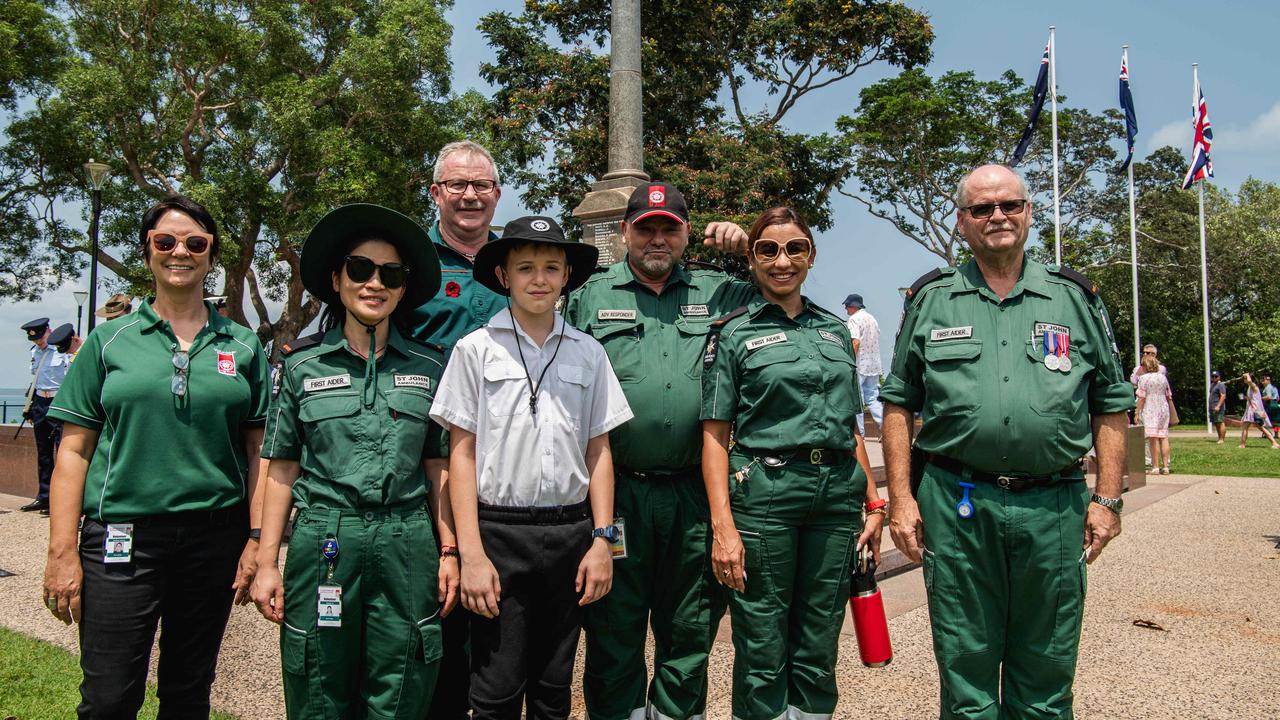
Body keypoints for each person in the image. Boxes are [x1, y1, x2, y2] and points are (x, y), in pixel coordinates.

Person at [879, 164, 1133, 719]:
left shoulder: (1076, 299)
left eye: (1009, 205)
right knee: (965, 666)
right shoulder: (930, 300)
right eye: (981, 209)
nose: (997, 216)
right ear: (962, 223)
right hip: (958, 503)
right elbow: (899, 402)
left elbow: (1111, 402)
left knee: (1046, 667)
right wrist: (901, 499)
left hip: (1054, 505)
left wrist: (1108, 499)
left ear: (1029, 213)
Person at [40, 195, 270, 717]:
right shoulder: (107, 341)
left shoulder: (243, 344)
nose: (180, 252)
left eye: (195, 242)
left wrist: (257, 540)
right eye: (164, 242)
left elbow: (259, 450)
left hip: (213, 540)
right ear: (147, 254)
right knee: (108, 697)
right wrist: (61, 551)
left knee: (188, 695)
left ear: (212, 254)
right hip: (121, 538)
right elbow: (73, 453)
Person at [250, 204, 452, 718]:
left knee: (404, 682)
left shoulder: (431, 367)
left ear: (404, 288)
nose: (374, 284)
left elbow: (439, 468)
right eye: (360, 269)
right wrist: (265, 560)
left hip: (408, 539)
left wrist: (449, 551)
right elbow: (280, 468)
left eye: (391, 274)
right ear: (337, 279)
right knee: (318, 682)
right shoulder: (300, 366)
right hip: (324, 539)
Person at [563, 182, 755, 720]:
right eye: (645, 227)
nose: (656, 239)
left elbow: (788, 294)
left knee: (690, 632)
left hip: (696, 493)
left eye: (669, 228)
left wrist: (750, 245)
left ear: (686, 233)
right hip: (618, 494)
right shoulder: (589, 298)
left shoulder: (723, 292)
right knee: (613, 632)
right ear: (624, 232)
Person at [430, 216, 633, 719]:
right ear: (504, 277)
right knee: (496, 687)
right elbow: (462, 454)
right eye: (525, 268)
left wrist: (603, 540)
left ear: (567, 277)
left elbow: (599, 450)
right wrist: (471, 554)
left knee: (553, 685)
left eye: (550, 267)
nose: (538, 278)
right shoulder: (475, 350)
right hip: (499, 532)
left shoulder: (589, 353)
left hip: (570, 533)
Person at [701, 206, 884, 720]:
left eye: (794, 249)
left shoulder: (832, 329)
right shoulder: (733, 333)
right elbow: (715, 438)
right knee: (761, 641)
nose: (783, 261)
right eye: (768, 250)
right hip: (765, 495)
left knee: (820, 638)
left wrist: (872, 500)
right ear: (753, 260)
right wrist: (723, 528)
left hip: (833, 498)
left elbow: (849, 427)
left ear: (811, 255)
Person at [405, 140, 509, 719]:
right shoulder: (409, 263)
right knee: (436, 613)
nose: (470, 195)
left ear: (497, 192)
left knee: (500, 621)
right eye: (456, 185)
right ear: (436, 192)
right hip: (427, 465)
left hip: (507, 467)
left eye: (481, 185)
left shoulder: (518, 260)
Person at [18, 317, 70, 514]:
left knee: (62, 450)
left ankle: (62, 499)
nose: (38, 342)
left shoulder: (60, 351)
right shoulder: (35, 353)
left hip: (58, 401)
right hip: (40, 402)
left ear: (48, 330)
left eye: (40, 337)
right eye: (34, 339)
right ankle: (44, 497)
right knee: (44, 453)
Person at [844, 292, 884, 437]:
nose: (846, 309)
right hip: (874, 364)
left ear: (853, 306)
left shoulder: (854, 319)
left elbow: (856, 342)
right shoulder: (872, 319)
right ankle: (885, 428)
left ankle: (859, 433)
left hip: (860, 364)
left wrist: (850, 361)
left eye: (847, 306)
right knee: (873, 398)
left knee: (857, 400)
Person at [1135, 355, 1173, 474]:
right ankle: (1166, 466)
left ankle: (1155, 466)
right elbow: (1168, 395)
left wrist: (1137, 412)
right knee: (1164, 436)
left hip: (1150, 408)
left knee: (1153, 438)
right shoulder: (1162, 377)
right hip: (1163, 408)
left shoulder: (1144, 378)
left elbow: (1141, 398)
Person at [1238, 373, 1280, 449]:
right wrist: (1244, 397)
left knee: (1260, 428)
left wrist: (1247, 374)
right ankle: (1242, 444)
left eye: (1245, 378)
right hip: (1252, 411)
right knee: (1247, 427)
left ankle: (1275, 443)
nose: (1244, 380)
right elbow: (1251, 399)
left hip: (1254, 411)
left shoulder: (1253, 386)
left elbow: (1250, 381)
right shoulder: (1250, 387)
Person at [1209, 370, 1227, 444]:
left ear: (1219, 377)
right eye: (1212, 376)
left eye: (1216, 376)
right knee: (1216, 423)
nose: (1214, 378)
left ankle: (1222, 439)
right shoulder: (1213, 385)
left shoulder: (1221, 385)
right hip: (1212, 407)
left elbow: (1223, 396)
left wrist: (1218, 406)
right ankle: (1219, 438)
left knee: (1220, 422)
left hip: (1218, 407)